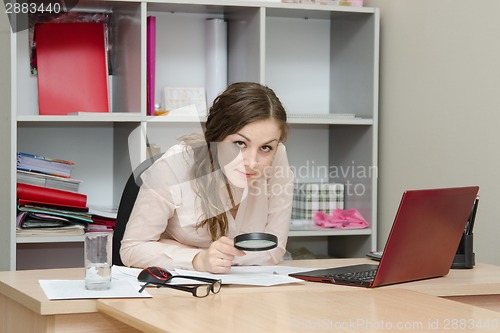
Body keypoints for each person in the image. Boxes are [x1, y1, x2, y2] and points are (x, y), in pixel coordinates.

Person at [120, 82, 294, 273]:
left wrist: (201, 255)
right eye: (240, 143)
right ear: (215, 138)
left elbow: (273, 250)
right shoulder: (173, 167)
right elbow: (132, 248)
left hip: (247, 289)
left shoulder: (277, 158)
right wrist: (197, 259)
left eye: (265, 148)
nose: (252, 162)